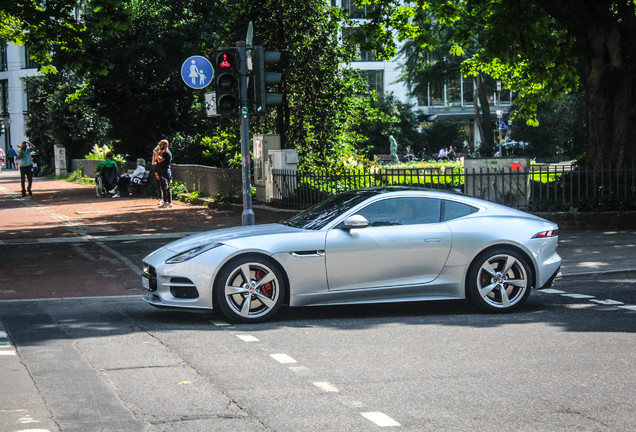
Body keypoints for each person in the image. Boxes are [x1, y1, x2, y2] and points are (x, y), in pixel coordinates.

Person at [154, 139, 173, 208]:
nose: (160, 146)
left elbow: (159, 160)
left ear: (165, 145)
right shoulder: (165, 153)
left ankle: (169, 202)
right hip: (164, 171)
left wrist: (156, 153)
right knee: (163, 186)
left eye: (161, 144)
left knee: (166, 187)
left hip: (165, 171)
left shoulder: (167, 153)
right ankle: (166, 202)